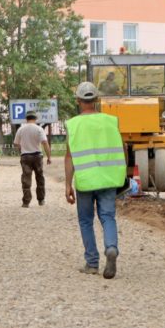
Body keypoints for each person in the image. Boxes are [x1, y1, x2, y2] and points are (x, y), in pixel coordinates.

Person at [65, 81, 126, 279]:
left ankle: (92, 263)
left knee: (85, 220)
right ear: (96, 99)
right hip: (108, 179)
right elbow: (122, 149)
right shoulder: (111, 121)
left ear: (78, 101)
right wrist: (123, 175)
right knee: (108, 217)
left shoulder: (73, 124)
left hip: (85, 180)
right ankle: (111, 248)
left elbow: (69, 157)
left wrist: (67, 184)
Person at [14, 111, 52, 207]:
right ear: (35, 119)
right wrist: (49, 157)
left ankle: (26, 202)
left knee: (26, 178)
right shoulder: (39, 129)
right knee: (40, 177)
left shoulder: (21, 129)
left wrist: (22, 149)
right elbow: (45, 143)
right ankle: (41, 200)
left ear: (26, 119)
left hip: (25, 156)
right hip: (37, 156)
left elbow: (16, 143)